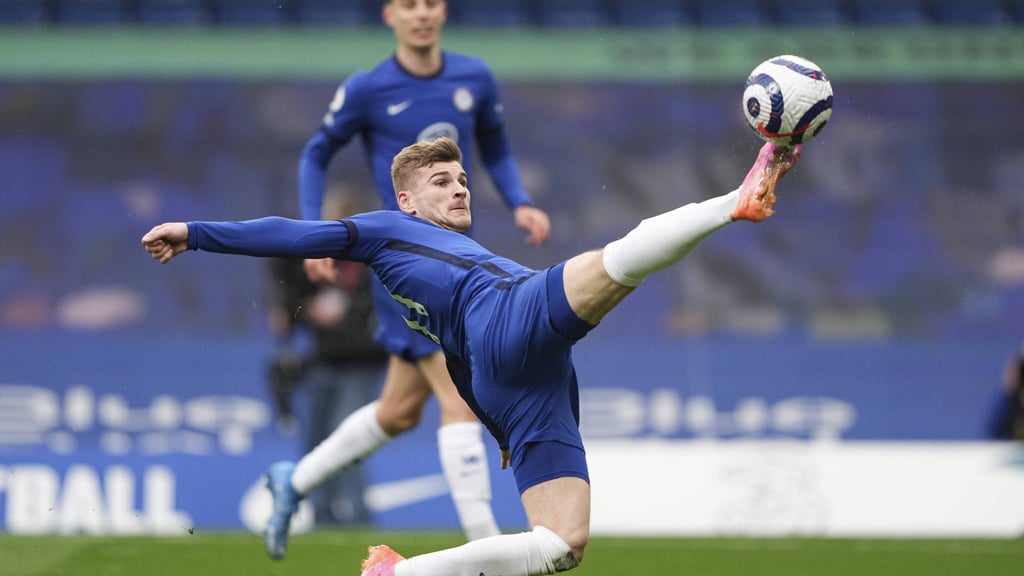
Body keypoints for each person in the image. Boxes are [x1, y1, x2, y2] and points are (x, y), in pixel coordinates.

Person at [142, 136, 801, 575]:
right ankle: (734, 202)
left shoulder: (468, 255)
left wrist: (499, 420)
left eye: (462, 180)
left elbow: (458, 358)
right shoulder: (384, 230)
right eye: (440, 182)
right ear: (406, 200)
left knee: (561, 546)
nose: (459, 189)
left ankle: (404, 573)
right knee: (620, 261)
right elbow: (289, 233)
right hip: (507, 322)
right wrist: (195, 234)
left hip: (524, 380)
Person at [268, 0, 551, 558]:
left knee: (398, 411)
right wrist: (314, 232)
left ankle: (293, 481)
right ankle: (487, 550)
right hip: (404, 262)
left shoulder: (474, 77)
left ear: (443, 12)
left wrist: (518, 201)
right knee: (459, 399)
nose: (421, 13)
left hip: (459, 257)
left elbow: (492, 143)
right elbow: (317, 151)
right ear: (389, 14)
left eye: (430, 3)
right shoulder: (369, 88)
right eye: (409, 4)